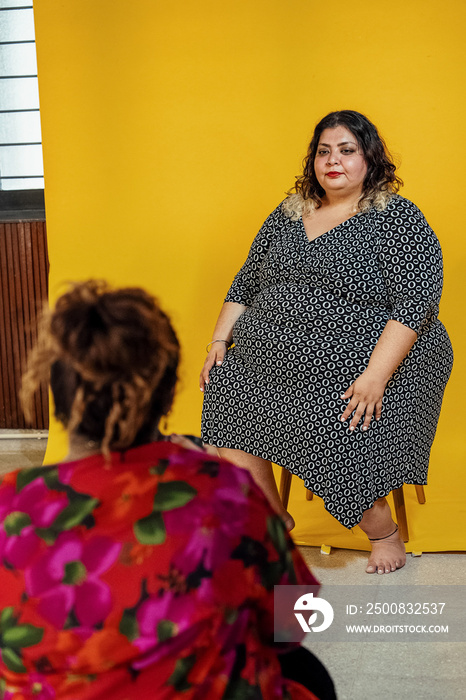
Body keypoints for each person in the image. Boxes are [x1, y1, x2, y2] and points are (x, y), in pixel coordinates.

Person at [0, 280, 336, 699]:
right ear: (167, 393)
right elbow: (293, 621)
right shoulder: (221, 490)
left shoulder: (8, 503)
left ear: (56, 393)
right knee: (307, 672)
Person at [200, 110, 453, 575]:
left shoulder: (396, 217)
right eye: (324, 151)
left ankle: (384, 534)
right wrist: (220, 339)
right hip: (274, 356)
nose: (332, 160)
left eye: (346, 150)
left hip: (372, 352)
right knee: (225, 385)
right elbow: (247, 282)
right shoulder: (289, 213)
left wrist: (376, 377)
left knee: (333, 411)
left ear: (369, 160)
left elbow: (414, 304)